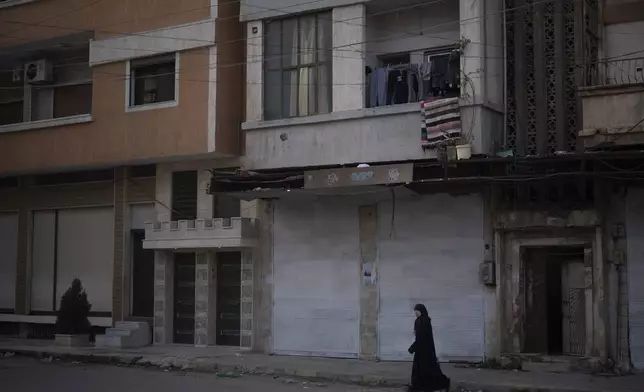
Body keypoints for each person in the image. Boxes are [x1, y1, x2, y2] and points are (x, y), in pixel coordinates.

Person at [407, 304, 451, 392]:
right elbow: (421, 336)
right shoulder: (422, 320)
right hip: (423, 349)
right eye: (415, 311)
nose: (415, 313)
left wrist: (413, 347)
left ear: (420, 311)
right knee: (424, 369)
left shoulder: (423, 321)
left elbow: (422, 336)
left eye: (416, 311)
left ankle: (442, 383)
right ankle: (420, 385)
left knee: (425, 369)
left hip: (424, 350)